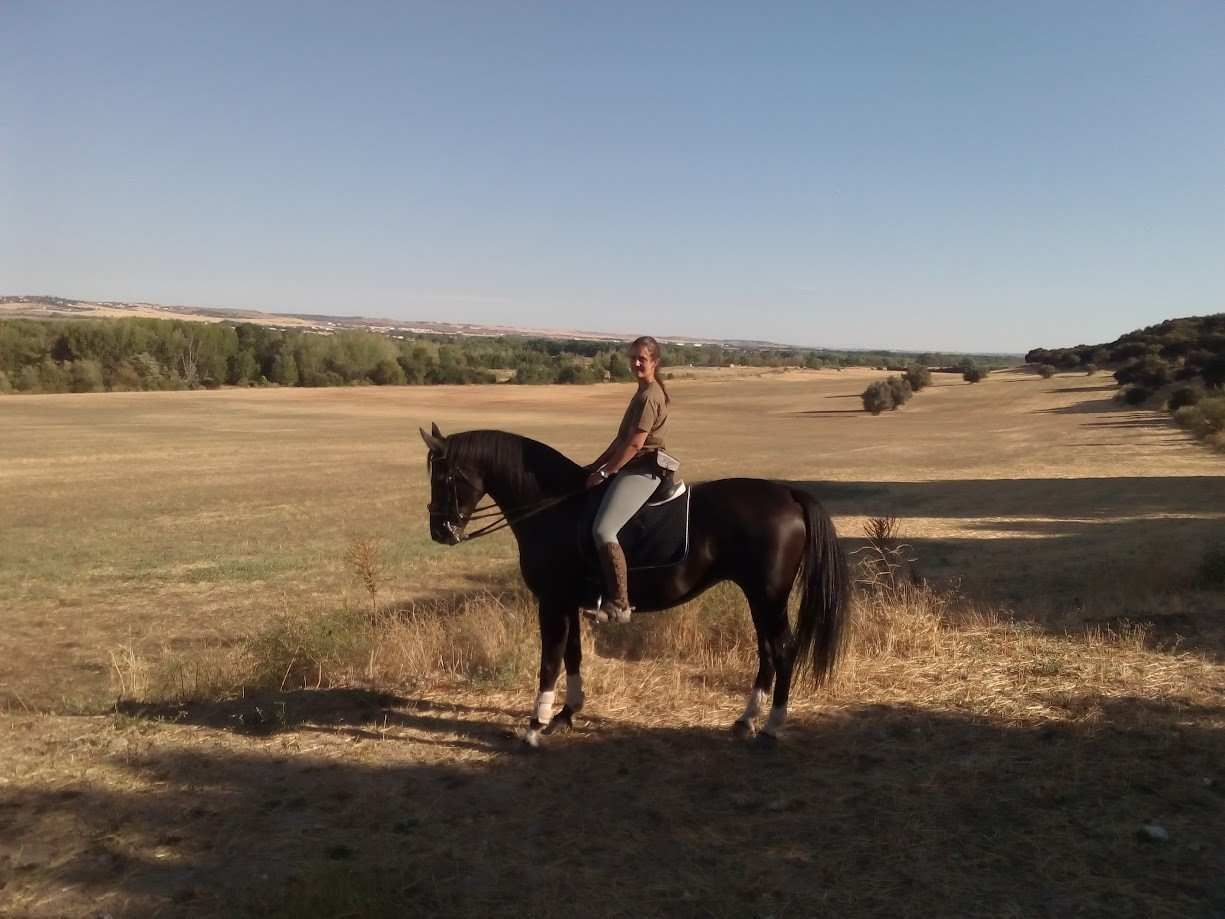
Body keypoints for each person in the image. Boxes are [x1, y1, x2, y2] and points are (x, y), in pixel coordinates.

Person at [581, 335, 672, 624]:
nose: (635, 363)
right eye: (632, 357)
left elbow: (633, 445)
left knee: (603, 530)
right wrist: (595, 466)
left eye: (641, 359)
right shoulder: (641, 392)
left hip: (644, 469)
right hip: (632, 464)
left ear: (654, 362)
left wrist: (606, 472)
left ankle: (620, 605)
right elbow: (620, 440)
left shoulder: (649, 397)